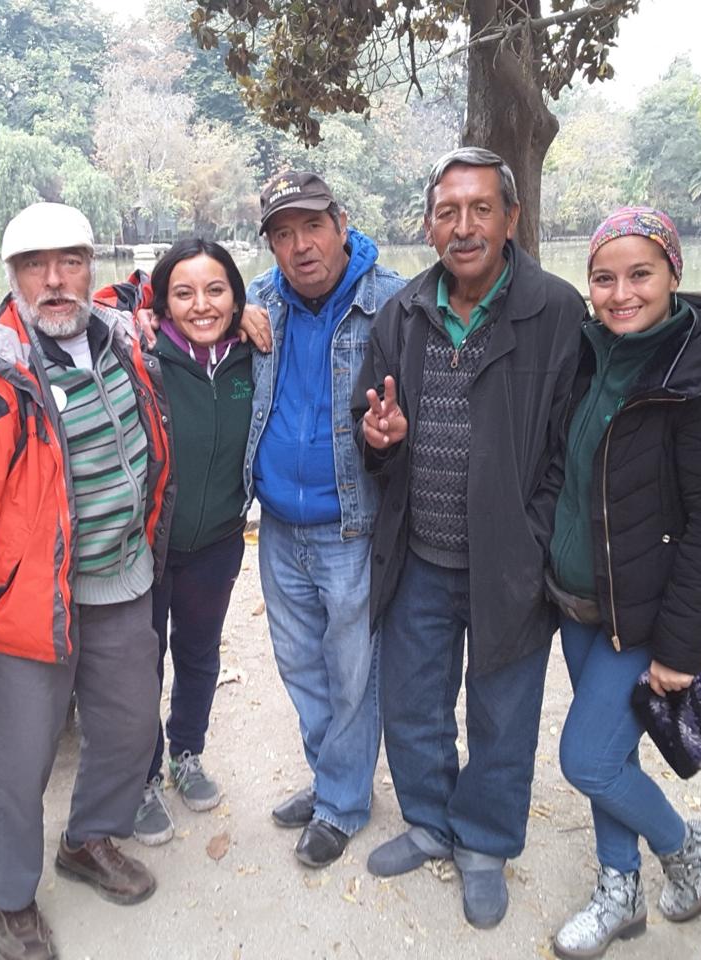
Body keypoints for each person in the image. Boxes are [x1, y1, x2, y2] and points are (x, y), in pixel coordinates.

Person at [0, 202, 173, 960]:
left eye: (70, 261)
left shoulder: (120, 340)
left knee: (131, 728)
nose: (54, 280)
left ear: (91, 270)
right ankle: (8, 896)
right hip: (19, 607)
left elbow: (170, 291)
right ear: (11, 279)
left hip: (118, 582)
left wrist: (245, 316)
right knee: (19, 764)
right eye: (35, 267)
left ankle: (87, 842)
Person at [353, 147, 585, 928]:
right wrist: (379, 438)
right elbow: (369, 421)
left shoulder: (556, 311)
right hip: (419, 551)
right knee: (414, 703)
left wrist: (532, 533)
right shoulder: (404, 312)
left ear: (511, 219)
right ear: (430, 223)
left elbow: (569, 445)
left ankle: (484, 841)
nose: (464, 227)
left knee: (502, 712)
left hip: (508, 561)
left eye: (481, 209)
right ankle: (428, 819)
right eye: (448, 212)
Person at [546, 207, 701, 959]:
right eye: (604, 278)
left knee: (588, 759)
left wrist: (678, 647)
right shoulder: (588, 354)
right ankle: (621, 892)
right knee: (614, 754)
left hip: (644, 617)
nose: (620, 293)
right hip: (579, 602)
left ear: (674, 272)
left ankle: (689, 844)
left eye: (640, 274)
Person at [245, 170, 407, 867]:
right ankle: (328, 779)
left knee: (350, 675)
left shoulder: (393, 303)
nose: (300, 246)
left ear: (342, 223)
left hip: (350, 528)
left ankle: (342, 801)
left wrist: (396, 434)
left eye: (312, 226)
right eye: (283, 233)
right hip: (278, 528)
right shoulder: (255, 302)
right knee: (300, 668)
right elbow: (163, 305)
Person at [126, 239, 254, 845]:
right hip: (149, 545)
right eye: (183, 292)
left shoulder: (253, 355)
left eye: (215, 290)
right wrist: (131, 306)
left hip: (220, 540)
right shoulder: (143, 354)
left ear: (234, 295)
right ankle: (142, 777)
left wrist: (261, 317)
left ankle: (187, 753)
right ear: (162, 302)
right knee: (141, 665)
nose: (201, 305)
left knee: (199, 654)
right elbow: (91, 305)